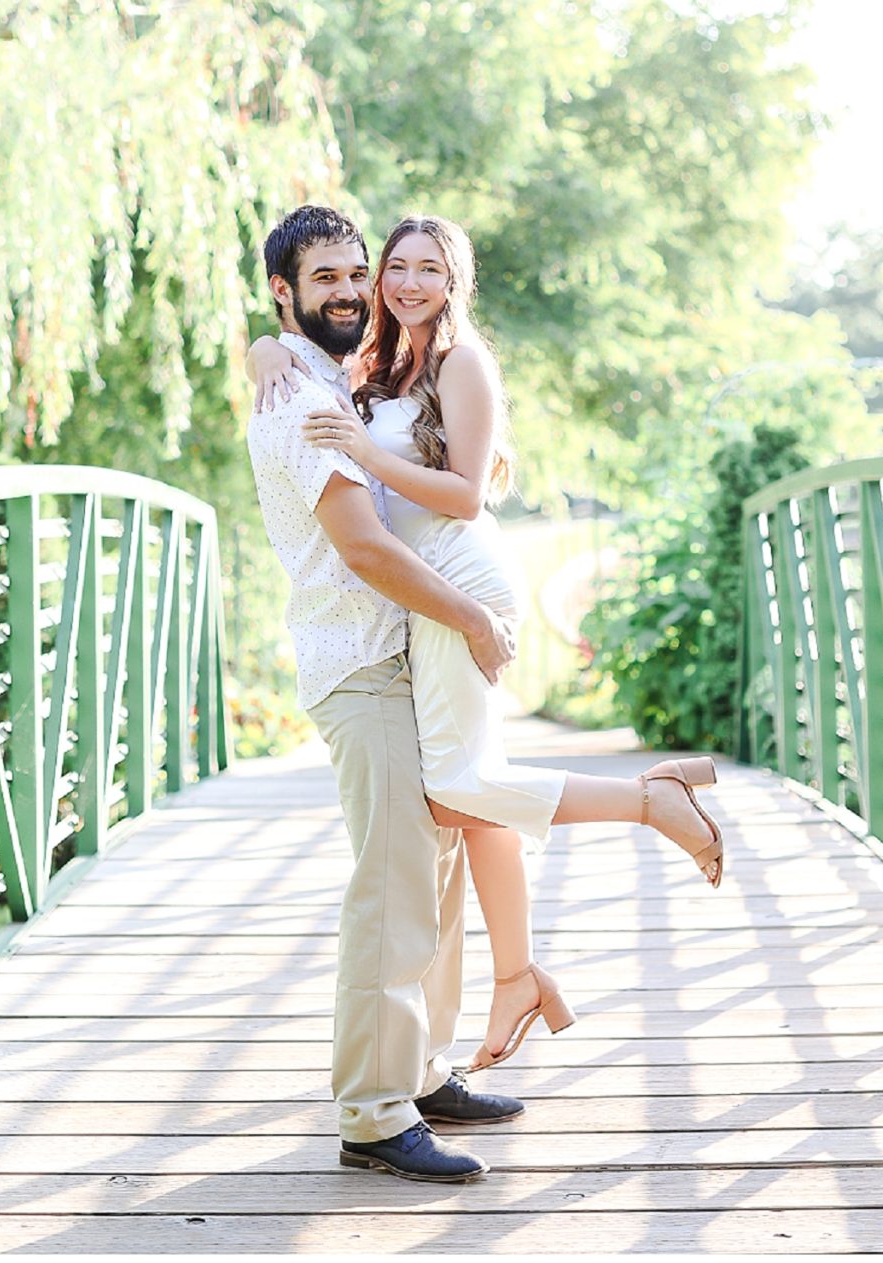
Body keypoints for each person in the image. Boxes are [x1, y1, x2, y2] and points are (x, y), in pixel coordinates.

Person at [246, 212, 729, 1103]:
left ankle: (428, 1066)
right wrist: (261, 350)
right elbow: (355, 530)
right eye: (368, 271)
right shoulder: (344, 374)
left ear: (455, 281)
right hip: (395, 625)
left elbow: (460, 496)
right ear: (286, 289)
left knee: (452, 811)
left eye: (393, 269)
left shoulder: (430, 363)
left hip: (446, 592)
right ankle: (421, 1069)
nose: (374, 286)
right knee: (442, 822)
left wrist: (366, 459)